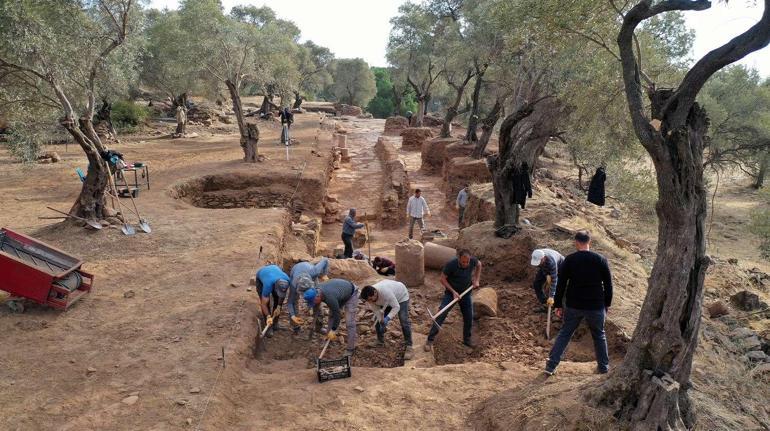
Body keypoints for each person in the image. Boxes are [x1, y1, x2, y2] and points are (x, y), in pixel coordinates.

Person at [545, 230, 613, 376]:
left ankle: (551, 366)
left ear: (576, 242)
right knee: (599, 335)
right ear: (589, 242)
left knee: (565, 333)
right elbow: (608, 284)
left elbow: (561, 283)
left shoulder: (570, 260)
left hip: (574, 305)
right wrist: (607, 304)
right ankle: (603, 368)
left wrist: (558, 304)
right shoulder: (600, 259)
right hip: (596, 305)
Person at [424, 249, 483, 351]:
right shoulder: (451, 264)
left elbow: (479, 264)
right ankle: (430, 340)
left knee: (469, 316)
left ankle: (467, 339)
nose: (466, 264)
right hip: (451, 294)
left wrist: (476, 280)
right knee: (441, 313)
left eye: (467, 262)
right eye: (463, 262)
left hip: (465, 293)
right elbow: (442, 279)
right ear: (459, 259)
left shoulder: (472, 261)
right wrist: (453, 291)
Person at [304, 278, 359, 356]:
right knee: (331, 315)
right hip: (339, 294)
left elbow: (338, 315)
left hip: (351, 294)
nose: (313, 304)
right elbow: (319, 308)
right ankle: (328, 338)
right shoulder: (316, 290)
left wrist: (333, 330)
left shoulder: (329, 298)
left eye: (313, 302)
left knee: (349, 323)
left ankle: (351, 348)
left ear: (317, 296)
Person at [360, 280, 413, 359]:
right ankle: (380, 341)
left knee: (403, 320)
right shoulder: (370, 298)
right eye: (368, 300)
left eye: (371, 299)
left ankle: (409, 345)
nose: (370, 302)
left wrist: (387, 318)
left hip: (401, 296)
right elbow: (377, 312)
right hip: (386, 301)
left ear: (375, 292)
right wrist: (381, 322)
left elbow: (396, 307)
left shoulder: (385, 292)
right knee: (377, 322)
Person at [288, 258, 330, 330]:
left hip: (309, 273)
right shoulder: (293, 285)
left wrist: (324, 274)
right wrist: (293, 316)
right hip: (295, 270)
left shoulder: (315, 271)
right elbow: (290, 302)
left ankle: (319, 326)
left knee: (317, 298)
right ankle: (295, 325)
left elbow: (325, 260)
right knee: (294, 300)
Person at [254, 264, 291, 337]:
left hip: (274, 273)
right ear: (275, 287)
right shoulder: (268, 285)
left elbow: (282, 296)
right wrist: (268, 316)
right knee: (266, 304)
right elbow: (263, 304)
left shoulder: (287, 280)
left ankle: (275, 323)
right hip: (262, 275)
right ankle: (268, 326)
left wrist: (279, 306)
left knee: (277, 300)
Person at [530, 248, 565, 313]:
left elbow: (554, 280)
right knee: (537, 284)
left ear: (544, 258)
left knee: (557, 286)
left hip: (560, 266)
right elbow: (542, 267)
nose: (538, 264)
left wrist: (551, 296)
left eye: (539, 262)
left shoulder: (551, 262)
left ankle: (556, 306)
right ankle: (545, 303)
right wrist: (546, 275)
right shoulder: (538, 255)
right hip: (545, 266)